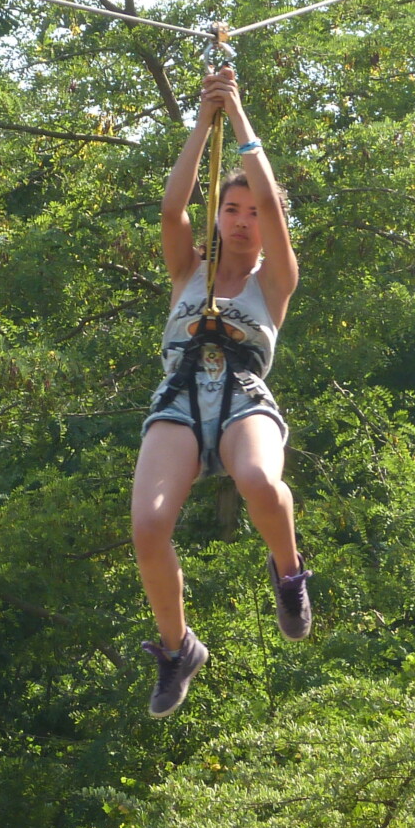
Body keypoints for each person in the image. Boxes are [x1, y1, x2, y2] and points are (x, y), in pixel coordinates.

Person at [132, 65, 309, 717]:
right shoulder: (189, 270)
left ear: (267, 225)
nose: (240, 221)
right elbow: (172, 208)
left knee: (261, 482)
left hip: (240, 395)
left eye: (251, 213)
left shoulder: (275, 281)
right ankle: (179, 649)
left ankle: (289, 574)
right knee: (149, 525)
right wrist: (201, 121)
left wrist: (236, 116)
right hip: (179, 397)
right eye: (229, 210)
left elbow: (270, 201)